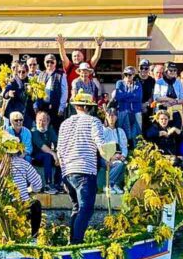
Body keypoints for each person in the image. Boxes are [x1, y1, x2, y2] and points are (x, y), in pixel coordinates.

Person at [56, 90, 104, 243]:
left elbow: (59, 150)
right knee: (86, 208)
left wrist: (64, 174)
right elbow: (100, 143)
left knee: (77, 207)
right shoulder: (94, 121)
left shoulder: (64, 123)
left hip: (68, 171)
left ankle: (73, 241)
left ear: (76, 106)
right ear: (89, 107)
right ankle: (77, 242)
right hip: (84, 169)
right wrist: (110, 156)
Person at [7, 153, 44, 236]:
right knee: (36, 204)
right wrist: (29, 190)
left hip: (3, 205)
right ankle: (34, 236)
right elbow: (38, 184)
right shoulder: (23, 163)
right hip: (22, 204)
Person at [101, 106, 128, 194]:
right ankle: (108, 185)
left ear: (116, 117)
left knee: (124, 163)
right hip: (105, 156)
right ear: (106, 117)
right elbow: (101, 146)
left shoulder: (120, 131)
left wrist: (123, 155)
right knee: (119, 165)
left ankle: (115, 184)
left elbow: (124, 146)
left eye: (113, 116)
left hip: (118, 155)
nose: (111, 118)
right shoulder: (102, 130)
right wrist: (110, 157)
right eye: (109, 116)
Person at [112, 66, 142, 145]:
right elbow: (118, 96)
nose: (128, 76)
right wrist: (132, 95)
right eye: (126, 74)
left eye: (130, 75)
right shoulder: (120, 83)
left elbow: (138, 97)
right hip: (123, 110)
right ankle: (123, 151)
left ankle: (137, 152)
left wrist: (124, 96)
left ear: (134, 75)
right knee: (122, 132)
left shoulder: (138, 84)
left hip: (135, 111)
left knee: (137, 134)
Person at [152, 62, 183, 130]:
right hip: (163, 112)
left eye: (175, 70)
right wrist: (168, 99)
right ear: (166, 71)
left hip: (176, 112)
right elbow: (156, 98)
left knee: (176, 133)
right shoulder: (159, 82)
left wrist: (175, 102)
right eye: (170, 70)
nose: (173, 72)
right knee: (162, 133)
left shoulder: (179, 82)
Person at [31, 110, 59, 191]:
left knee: (61, 157)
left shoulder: (50, 130)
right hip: (36, 156)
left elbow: (56, 142)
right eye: (39, 120)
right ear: (36, 121)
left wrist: (58, 154)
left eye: (44, 120)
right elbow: (42, 146)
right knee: (48, 155)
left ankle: (59, 183)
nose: (41, 123)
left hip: (49, 156)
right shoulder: (34, 131)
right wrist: (54, 154)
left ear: (47, 121)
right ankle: (48, 183)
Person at [1, 62, 35, 126]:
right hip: (14, 112)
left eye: (23, 72)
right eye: (19, 72)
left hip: (27, 113)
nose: (21, 73)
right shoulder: (13, 81)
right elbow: (5, 94)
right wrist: (9, 93)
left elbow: (35, 98)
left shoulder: (31, 82)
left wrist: (32, 92)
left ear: (27, 72)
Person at [38, 54, 67, 125]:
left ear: (55, 63)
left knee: (55, 128)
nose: (49, 64)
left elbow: (64, 92)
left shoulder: (61, 75)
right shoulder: (41, 74)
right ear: (44, 62)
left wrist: (61, 107)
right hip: (43, 106)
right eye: (47, 62)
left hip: (56, 107)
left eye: (52, 62)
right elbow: (37, 91)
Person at [138, 58, 156, 131]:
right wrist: (140, 105)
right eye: (142, 67)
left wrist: (146, 104)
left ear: (149, 69)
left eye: (146, 68)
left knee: (146, 129)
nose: (144, 70)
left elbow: (153, 94)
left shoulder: (152, 80)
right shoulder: (134, 78)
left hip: (147, 108)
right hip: (136, 107)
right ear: (139, 68)